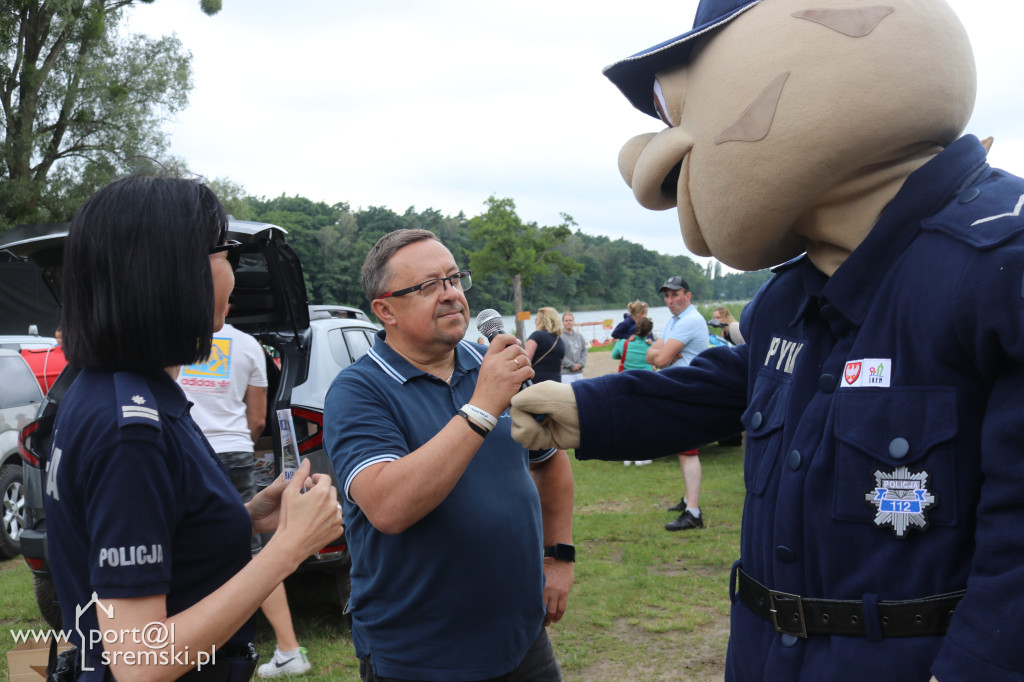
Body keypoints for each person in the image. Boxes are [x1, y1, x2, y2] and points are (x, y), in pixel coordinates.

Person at [510, 0, 1024, 679]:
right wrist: (585, 409)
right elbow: (728, 385)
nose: (653, 174)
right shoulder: (792, 293)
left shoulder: (998, 267)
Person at [44, 175, 342, 681]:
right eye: (225, 252)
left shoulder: (109, 387)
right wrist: (289, 548)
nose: (235, 271)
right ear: (172, 272)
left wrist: (243, 517)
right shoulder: (131, 428)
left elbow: (145, 526)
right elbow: (140, 661)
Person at [323, 229, 574, 682]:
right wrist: (481, 406)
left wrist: (559, 556)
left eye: (455, 279)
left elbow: (550, 461)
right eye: (428, 286)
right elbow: (388, 506)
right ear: (385, 310)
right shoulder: (357, 392)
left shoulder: (494, 368)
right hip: (420, 654)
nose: (451, 294)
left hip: (522, 641)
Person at [178, 307, 312, 678]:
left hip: (187, 449)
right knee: (250, 553)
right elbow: (257, 419)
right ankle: (287, 647)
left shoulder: (174, 339)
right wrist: (237, 444)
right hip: (236, 450)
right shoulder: (249, 345)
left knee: (187, 548)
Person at [645, 277, 709, 531]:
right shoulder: (675, 321)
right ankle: (687, 501)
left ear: (688, 295)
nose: (671, 301)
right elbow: (653, 353)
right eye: (667, 296)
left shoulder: (690, 321)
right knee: (685, 450)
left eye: (676, 295)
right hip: (682, 389)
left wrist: (662, 356)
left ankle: (693, 512)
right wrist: (662, 355)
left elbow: (659, 359)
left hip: (690, 391)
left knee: (688, 451)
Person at [611, 316, 655, 466]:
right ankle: (643, 456)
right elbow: (657, 359)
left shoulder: (624, 344)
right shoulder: (651, 347)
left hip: (625, 384)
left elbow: (614, 355)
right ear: (649, 332)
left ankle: (627, 456)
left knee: (626, 419)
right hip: (647, 384)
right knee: (644, 420)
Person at [524, 306, 565, 384]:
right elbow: (560, 367)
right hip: (556, 384)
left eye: (536, 319)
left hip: (537, 383)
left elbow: (525, 361)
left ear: (541, 320)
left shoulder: (536, 336)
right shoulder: (560, 341)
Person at [559, 311, 588, 384]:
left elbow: (584, 351)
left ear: (573, 322)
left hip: (579, 372)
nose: (568, 322)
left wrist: (580, 364)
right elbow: (560, 354)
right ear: (563, 322)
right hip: (566, 374)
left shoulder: (579, 336)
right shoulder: (559, 337)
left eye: (570, 320)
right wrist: (571, 365)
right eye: (566, 320)